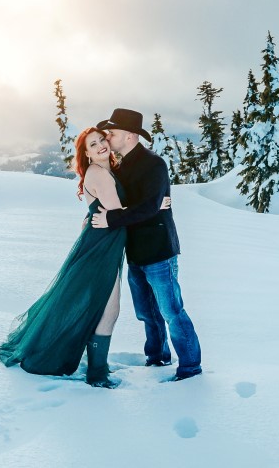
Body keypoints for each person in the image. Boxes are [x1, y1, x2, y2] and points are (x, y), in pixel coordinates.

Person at [0, 126, 169, 388]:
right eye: (93, 144)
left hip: (106, 244)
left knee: (99, 307)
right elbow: (116, 212)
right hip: (100, 248)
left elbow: (113, 210)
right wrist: (155, 204)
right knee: (108, 310)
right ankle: (97, 374)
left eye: (102, 139)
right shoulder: (98, 173)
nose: (101, 145)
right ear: (86, 154)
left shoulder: (107, 171)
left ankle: (97, 368)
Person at [91, 108, 202, 382]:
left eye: (112, 133)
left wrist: (114, 218)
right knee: (147, 312)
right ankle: (157, 357)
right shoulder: (122, 164)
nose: (108, 138)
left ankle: (190, 367)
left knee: (172, 311)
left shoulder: (154, 164)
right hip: (136, 251)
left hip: (159, 251)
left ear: (129, 136)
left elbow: (149, 206)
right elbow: (139, 204)